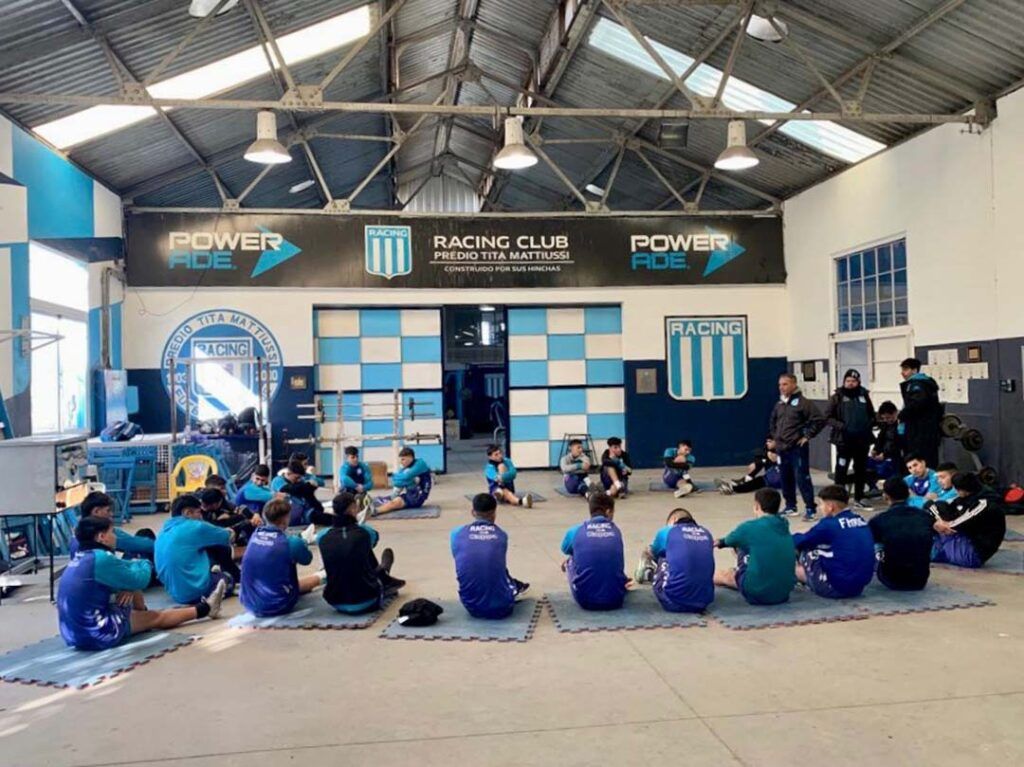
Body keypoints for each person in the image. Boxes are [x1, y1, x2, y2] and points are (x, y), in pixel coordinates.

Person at [58, 516, 226, 651]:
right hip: (97, 632)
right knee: (156, 617)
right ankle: (206, 609)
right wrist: (142, 563)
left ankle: (140, 614)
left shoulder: (81, 558)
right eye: (112, 532)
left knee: (128, 581)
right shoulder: (101, 559)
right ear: (101, 537)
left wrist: (129, 582)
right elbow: (143, 579)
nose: (115, 536)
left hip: (72, 634)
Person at [316, 492, 405, 614]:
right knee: (362, 550)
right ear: (353, 508)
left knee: (349, 553)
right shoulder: (365, 531)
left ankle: (382, 573)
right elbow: (373, 542)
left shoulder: (322, 536)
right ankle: (383, 573)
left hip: (335, 601)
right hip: (368, 600)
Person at [450, 493, 530, 619]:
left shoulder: (456, 534)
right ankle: (514, 587)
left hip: (471, 605)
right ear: (494, 513)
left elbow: (459, 558)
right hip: (502, 608)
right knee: (498, 569)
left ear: (473, 512)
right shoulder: (501, 535)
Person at [239, 498, 322, 617]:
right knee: (308, 580)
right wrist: (300, 543)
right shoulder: (290, 542)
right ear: (286, 519)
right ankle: (323, 575)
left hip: (248, 602)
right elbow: (307, 560)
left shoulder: (256, 534)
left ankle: (303, 538)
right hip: (277, 604)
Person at [714, 488, 796, 605]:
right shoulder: (784, 525)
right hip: (784, 593)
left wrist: (719, 542)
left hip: (756, 592)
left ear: (757, 506)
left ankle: (707, 577)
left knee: (737, 549)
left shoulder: (749, 527)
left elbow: (728, 541)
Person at [792, 485, 875, 599]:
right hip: (858, 587)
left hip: (835, 587)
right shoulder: (860, 520)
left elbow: (803, 540)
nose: (820, 508)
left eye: (821, 504)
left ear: (830, 507)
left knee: (805, 549)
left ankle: (794, 573)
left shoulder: (829, 525)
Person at [155, 494, 237, 605]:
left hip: (175, 593)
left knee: (200, 547)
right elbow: (227, 536)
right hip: (194, 593)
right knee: (228, 578)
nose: (201, 517)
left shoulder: (163, 530)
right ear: (187, 513)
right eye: (199, 513)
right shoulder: (196, 526)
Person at [635, 508, 714, 613]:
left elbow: (654, 553)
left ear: (674, 520)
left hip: (673, 601)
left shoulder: (668, 531)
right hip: (704, 601)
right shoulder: (706, 533)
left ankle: (649, 574)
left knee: (662, 557)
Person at [769, 373, 825, 519]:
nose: (781, 387)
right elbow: (773, 422)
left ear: (794, 384)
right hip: (782, 448)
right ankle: (790, 506)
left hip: (797, 449)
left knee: (802, 478)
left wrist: (807, 436)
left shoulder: (804, 403)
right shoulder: (780, 404)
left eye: (785, 384)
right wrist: (775, 439)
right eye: (780, 384)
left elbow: (819, 420)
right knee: (785, 477)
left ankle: (810, 508)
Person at [560, 492, 628, 610]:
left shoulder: (576, 531)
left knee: (571, 560)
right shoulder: (616, 530)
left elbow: (564, 548)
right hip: (616, 598)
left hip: (586, 600)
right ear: (608, 512)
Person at [869, 478, 935, 591]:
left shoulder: (878, 520)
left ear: (885, 496)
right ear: (908, 494)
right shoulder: (925, 516)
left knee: (873, 543)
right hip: (921, 579)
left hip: (892, 579)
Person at [930, 472, 1006, 568]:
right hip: (962, 542)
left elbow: (959, 523)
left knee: (940, 529)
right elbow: (936, 506)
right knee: (938, 509)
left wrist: (942, 524)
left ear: (964, 490)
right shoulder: (964, 498)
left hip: (973, 552)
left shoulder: (985, 504)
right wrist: (937, 521)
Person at [825, 369, 876, 510]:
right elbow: (827, 417)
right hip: (844, 440)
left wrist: (869, 424)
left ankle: (860, 498)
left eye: (853, 381)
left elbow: (871, 414)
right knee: (841, 470)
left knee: (860, 470)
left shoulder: (864, 396)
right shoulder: (837, 397)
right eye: (848, 381)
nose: (850, 384)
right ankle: (838, 500)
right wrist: (842, 426)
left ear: (858, 382)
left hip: (862, 440)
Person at [68, 491, 155, 562]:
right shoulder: (103, 533)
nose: (111, 514)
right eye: (108, 511)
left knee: (141, 536)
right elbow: (145, 545)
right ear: (96, 511)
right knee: (145, 536)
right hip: (107, 576)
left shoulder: (78, 532)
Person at [898, 358, 943, 468]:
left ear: (914, 370)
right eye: (902, 369)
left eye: (906, 369)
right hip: (926, 429)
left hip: (920, 431)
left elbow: (916, 405)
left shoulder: (917, 385)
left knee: (921, 460)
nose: (902, 373)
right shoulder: (925, 384)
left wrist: (901, 415)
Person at [373, 447, 433, 516]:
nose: (401, 462)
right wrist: (400, 478)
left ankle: (375, 511)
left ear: (410, 457)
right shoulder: (407, 467)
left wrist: (401, 478)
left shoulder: (420, 464)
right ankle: (391, 497)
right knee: (401, 483)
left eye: (403, 459)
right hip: (410, 493)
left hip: (418, 497)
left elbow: (404, 476)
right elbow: (395, 480)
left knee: (395, 502)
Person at [715, 437, 781, 495]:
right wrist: (758, 463)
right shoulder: (769, 450)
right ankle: (744, 480)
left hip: (776, 477)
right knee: (760, 469)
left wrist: (776, 459)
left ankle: (732, 488)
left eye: (770, 441)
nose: (767, 443)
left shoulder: (782, 451)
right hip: (772, 474)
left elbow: (782, 461)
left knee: (758, 482)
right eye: (767, 441)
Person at [272, 459, 325, 526]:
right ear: (288, 473)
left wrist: (311, 485)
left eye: (300, 478)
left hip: (304, 513)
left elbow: (310, 494)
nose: (298, 480)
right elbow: (288, 489)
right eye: (296, 478)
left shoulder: (300, 482)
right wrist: (307, 485)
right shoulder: (278, 480)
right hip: (285, 515)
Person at [867, 401, 902, 493]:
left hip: (895, 456)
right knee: (863, 463)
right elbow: (880, 439)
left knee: (884, 469)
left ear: (895, 413)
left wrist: (885, 455)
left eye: (888, 417)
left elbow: (899, 444)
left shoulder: (901, 425)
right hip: (882, 454)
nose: (887, 420)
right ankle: (872, 487)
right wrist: (875, 449)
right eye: (884, 418)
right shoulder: (886, 425)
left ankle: (892, 488)